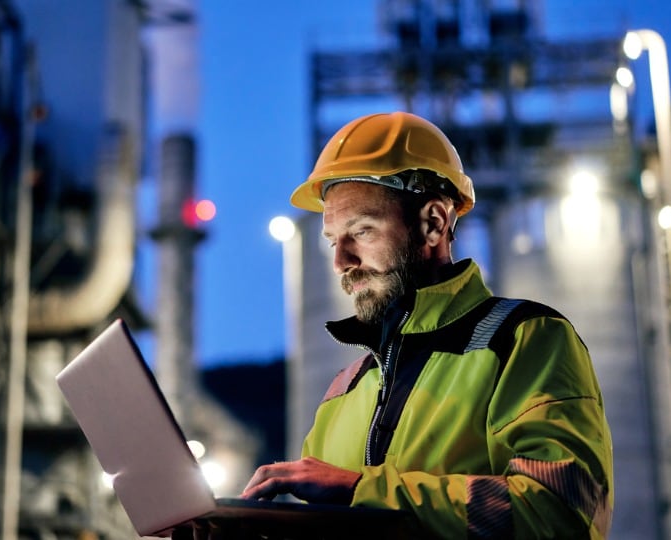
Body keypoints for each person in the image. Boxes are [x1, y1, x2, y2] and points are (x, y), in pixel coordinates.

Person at [241, 111, 614, 539]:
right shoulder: (344, 391)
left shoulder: (523, 340)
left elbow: (560, 514)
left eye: (361, 232)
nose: (342, 262)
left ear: (434, 222)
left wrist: (365, 490)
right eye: (333, 242)